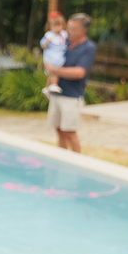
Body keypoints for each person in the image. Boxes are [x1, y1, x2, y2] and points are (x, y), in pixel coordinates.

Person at [45, 13, 97, 154]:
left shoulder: (88, 48)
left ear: (83, 31)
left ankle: (77, 161)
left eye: (72, 29)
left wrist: (55, 70)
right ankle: (61, 158)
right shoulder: (64, 42)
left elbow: (79, 72)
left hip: (71, 96)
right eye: (68, 27)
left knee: (69, 132)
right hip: (57, 93)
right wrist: (48, 86)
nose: (68, 31)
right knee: (59, 130)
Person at [40, 11, 68, 96]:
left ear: (63, 25)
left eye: (58, 25)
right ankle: (53, 85)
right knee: (54, 71)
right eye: (54, 26)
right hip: (52, 56)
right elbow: (43, 45)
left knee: (56, 71)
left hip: (60, 56)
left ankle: (48, 87)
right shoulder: (49, 35)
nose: (56, 28)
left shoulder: (64, 34)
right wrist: (47, 42)